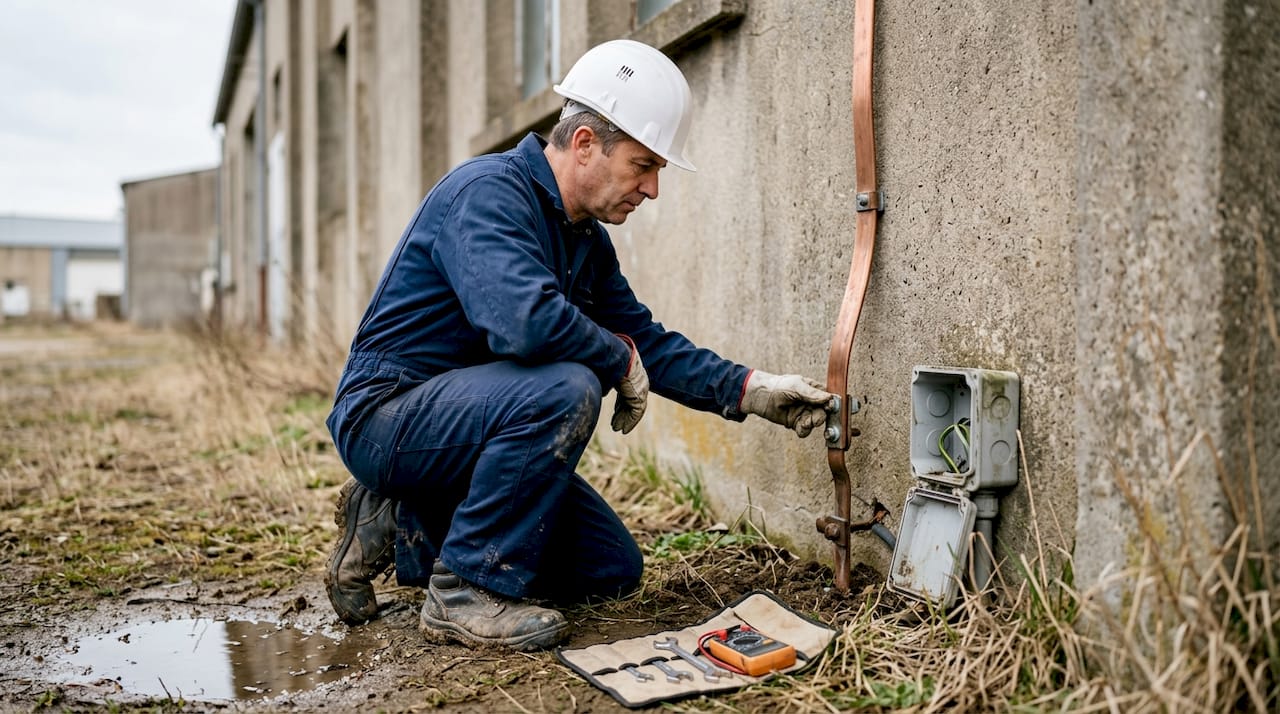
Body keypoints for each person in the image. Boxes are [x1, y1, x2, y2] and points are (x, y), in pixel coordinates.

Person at [324, 39, 835, 651]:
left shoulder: (583, 238)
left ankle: (403, 515)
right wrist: (616, 360)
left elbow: (644, 340)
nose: (651, 190)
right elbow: (525, 323)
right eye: (643, 166)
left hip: (459, 428)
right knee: (566, 385)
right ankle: (461, 590)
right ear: (587, 143)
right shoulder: (486, 194)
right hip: (386, 418)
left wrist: (751, 390)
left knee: (609, 569)